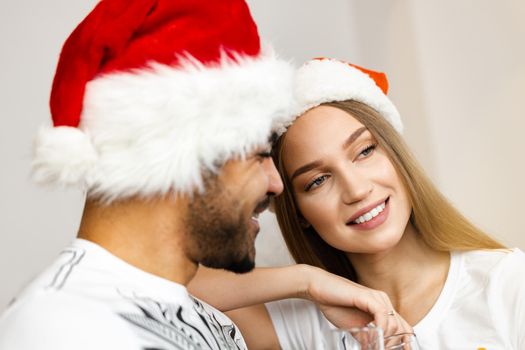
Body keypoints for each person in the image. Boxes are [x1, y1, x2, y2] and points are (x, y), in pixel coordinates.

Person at [0, 2, 411, 349]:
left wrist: (308, 281)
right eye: (259, 155)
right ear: (183, 151)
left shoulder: (197, 313)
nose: (276, 184)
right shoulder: (61, 330)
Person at [263, 58, 524, 349]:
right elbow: (200, 290)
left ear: (396, 155)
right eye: (318, 180)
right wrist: (306, 281)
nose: (357, 190)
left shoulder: (509, 285)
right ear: (298, 213)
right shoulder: (304, 325)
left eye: (364, 151)